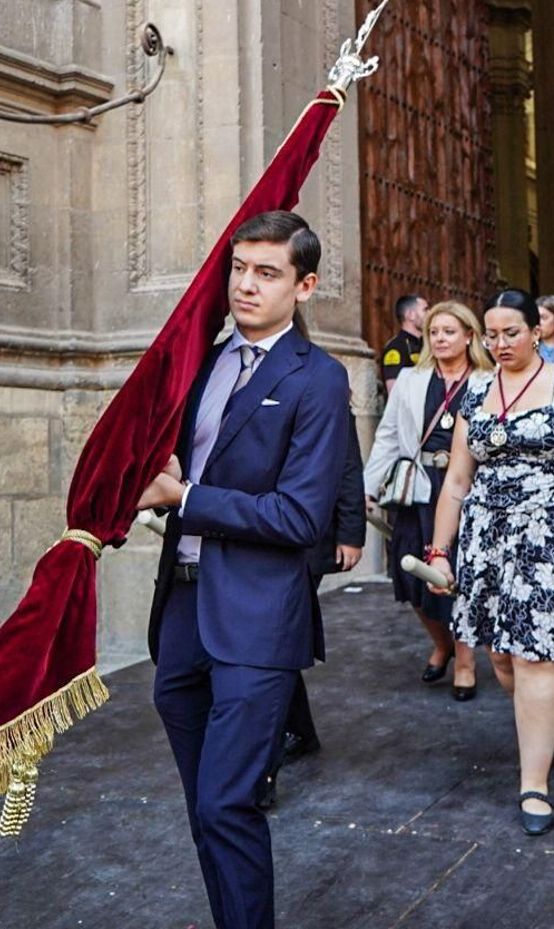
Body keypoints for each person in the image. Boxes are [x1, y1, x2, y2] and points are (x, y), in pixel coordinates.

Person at [138, 210, 352, 929]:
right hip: (182, 610)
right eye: (239, 269)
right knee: (205, 807)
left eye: (267, 273)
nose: (247, 286)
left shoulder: (317, 379)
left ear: (305, 284)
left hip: (258, 619)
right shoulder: (203, 361)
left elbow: (299, 517)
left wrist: (188, 498)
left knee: (228, 801)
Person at [425, 288, 554, 836]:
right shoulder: (477, 390)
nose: (500, 342)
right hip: (487, 537)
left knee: (538, 657)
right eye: (492, 334)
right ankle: (543, 720)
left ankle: (533, 783)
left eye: (511, 332)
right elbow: (457, 481)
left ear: (538, 331)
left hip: (551, 535)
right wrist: (440, 550)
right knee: (502, 657)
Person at [363, 301, 494, 698]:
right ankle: (443, 644)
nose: (439, 338)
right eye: (434, 332)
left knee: (461, 575)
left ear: (469, 336)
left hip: (467, 488)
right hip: (418, 487)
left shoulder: (489, 381)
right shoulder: (410, 379)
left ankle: (466, 663)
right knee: (409, 571)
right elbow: (387, 436)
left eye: (449, 331)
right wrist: (368, 487)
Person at [257, 415, 366, 809]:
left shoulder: (320, 381)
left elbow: (348, 467)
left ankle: (263, 771)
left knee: (276, 640)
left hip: (306, 540)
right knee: (274, 641)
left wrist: (351, 533)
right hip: (255, 534)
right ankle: (300, 731)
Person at [381, 294, 427, 393]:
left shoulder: (426, 345)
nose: (430, 314)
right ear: (410, 315)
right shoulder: (396, 347)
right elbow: (394, 391)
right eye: (425, 310)